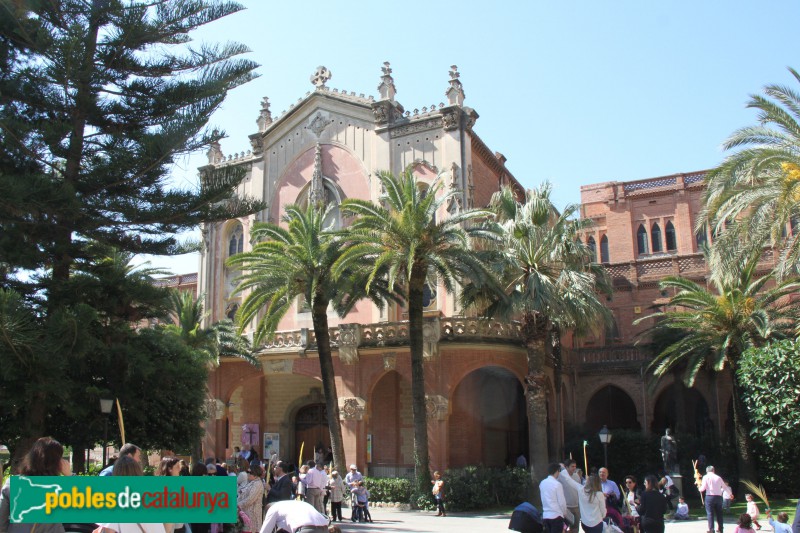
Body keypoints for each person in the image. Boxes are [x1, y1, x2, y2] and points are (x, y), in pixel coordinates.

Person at [0, 437, 71, 533]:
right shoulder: (59, 488)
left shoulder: (13, 483)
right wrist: (70, 476)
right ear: (56, 462)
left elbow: (1, 521)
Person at [259, 500, 330, 533]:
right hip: (324, 528)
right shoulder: (296, 504)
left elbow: (265, 531)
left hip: (305, 529)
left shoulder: (273, 509)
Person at [539, 463, 567, 533]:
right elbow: (562, 502)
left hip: (546, 515)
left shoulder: (542, 483)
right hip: (556, 515)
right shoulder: (557, 484)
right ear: (557, 471)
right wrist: (564, 512)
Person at [699, 465, 726, 533]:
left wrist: (699, 488)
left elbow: (703, 488)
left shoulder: (705, 477)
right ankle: (720, 529)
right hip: (719, 497)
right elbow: (724, 486)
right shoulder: (718, 477)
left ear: (707, 471)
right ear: (713, 470)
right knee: (719, 513)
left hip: (709, 496)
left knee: (710, 513)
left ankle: (711, 529)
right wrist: (730, 494)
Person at [238, 464, 264, 533]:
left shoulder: (257, 484)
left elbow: (250, 499)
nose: (247, 474)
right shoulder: (251, 482)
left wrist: (237, 505)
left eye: (249, 473)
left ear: (255, 475)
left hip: (253, 516)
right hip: (246, 514)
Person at [558, 460, 582, 533]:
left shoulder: (577, 476)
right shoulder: (560, 476)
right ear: (566, 467)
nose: (574, 468)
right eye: (572, 466)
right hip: (566, 507)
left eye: (575, 466)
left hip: (576, 506)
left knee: (575, 528)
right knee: (564, 528)